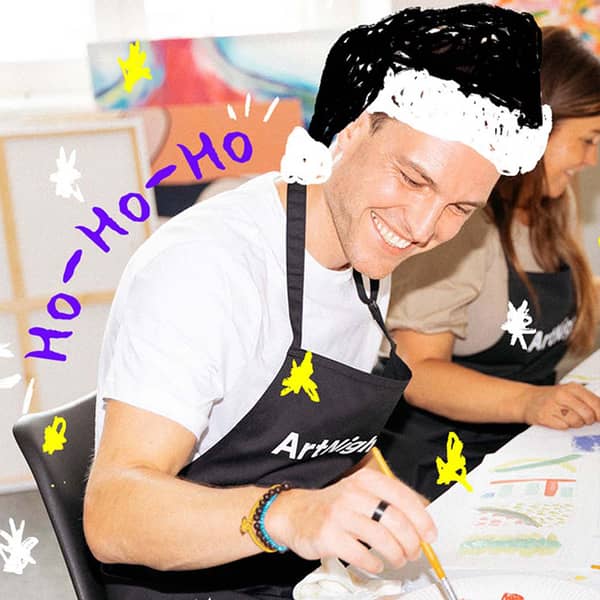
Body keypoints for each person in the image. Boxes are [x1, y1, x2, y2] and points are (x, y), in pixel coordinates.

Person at [83, 5, 550, 599]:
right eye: (413, 179)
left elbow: (327, 444)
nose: (422, 228)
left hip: (299, 574)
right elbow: (113, 516)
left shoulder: (366, 250)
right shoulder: (207, 266)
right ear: (350, 130)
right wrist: (292, 515)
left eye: (459, 208)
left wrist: (387, 506)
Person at [378, 26, 600, 502]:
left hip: (518, 451)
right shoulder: (461, 226)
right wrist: (531, 401)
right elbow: (417, 369)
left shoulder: (551, 206)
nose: (592, 158)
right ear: (538, 131)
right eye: (588, 139)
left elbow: (576, 307)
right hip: (438, 471)